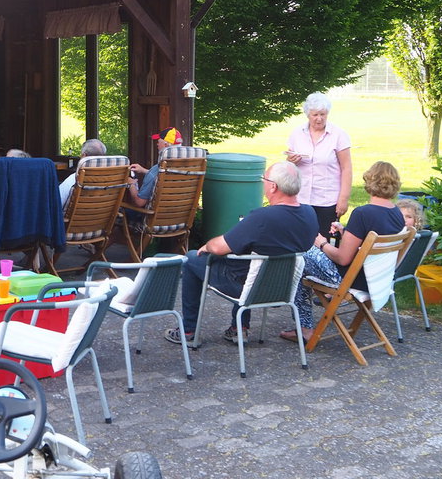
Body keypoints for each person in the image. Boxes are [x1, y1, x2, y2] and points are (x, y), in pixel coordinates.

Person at [164, 161, 317, 346]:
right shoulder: (309, 213)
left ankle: (188, 331)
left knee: (191, 259)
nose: (263, 182)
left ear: (273, 187)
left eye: (264, 179)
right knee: (247, 262)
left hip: (247, 287)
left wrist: (208, 246)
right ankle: (238, 328)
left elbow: (219, 247)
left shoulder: (262, 218)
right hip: (282, 289)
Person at [281, 161, 405, 342]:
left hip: (350, 279)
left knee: (300, 256)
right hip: (376, 279)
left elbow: (343, 258)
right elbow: (368, 241)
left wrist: (321, 243)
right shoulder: (396, 213)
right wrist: (345, 232)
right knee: (304, 265)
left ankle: (304, 328)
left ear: (369, 181)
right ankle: (303, 325)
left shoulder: (363, 213)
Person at [285, 92, 352, 238]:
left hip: (327, 199)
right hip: (301, 197)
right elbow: (288, 165)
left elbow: (346, 168)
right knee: (299, 238)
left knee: (324, 240)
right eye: (315, 115)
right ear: (308, 114)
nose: (319, 118)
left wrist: (343, 199)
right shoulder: (297, 133)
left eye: (323, 114)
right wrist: (291, 161)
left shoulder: (338, 135)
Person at [126, 128, 182, 209]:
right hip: (182, 214)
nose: (157, 144)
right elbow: (160, 175)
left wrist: (131, 184)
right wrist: (143, 170)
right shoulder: (187, 168)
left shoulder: (155, 171)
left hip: (156, 216)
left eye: (158, 142)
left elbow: (139, 202)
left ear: (166, 145)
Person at [58, 138, 106, 208]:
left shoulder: (75, 179)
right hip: (104, 213)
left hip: (75, 214)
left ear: (84, 155)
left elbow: (57, 203)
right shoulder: (113, 178)